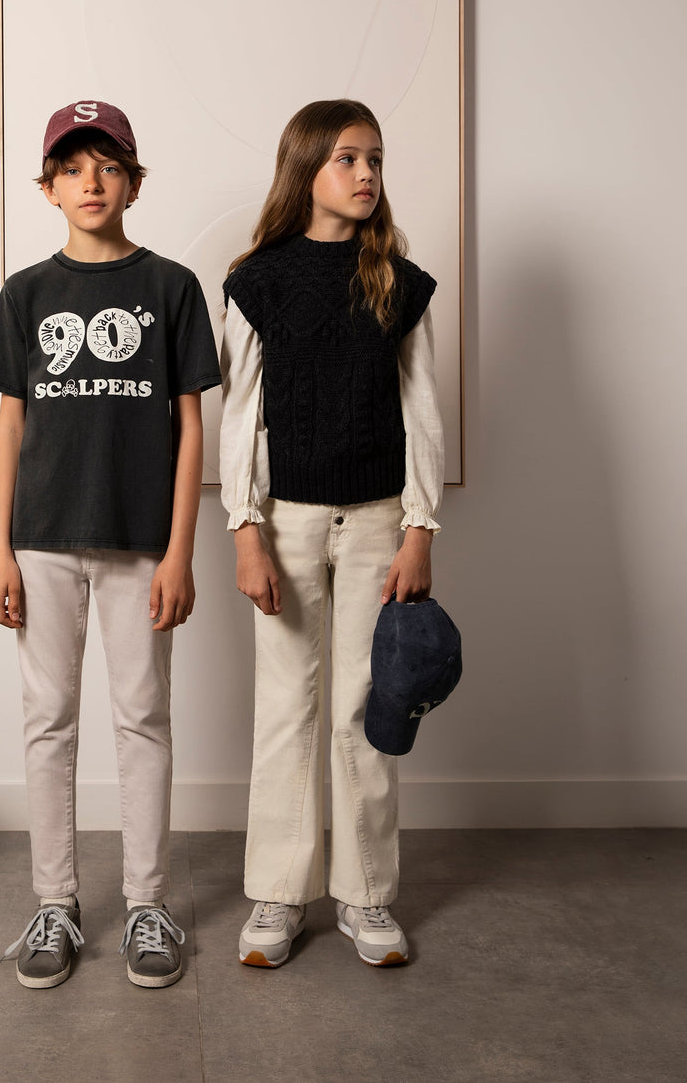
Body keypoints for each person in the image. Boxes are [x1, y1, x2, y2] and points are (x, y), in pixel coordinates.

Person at [0, 100, 220, 990]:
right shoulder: (26, 294)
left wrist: (181, 551)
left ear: (134, 183)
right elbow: (10, 427)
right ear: (48, 188)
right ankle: (56, 904)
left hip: (140, 542)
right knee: (48, 719)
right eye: (73, 168)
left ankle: (148, 904)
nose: (91, 182)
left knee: (143, 717)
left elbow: (191, 429)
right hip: (41, 538)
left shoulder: (172, 288)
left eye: (109, 167)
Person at [219, 98, 444, 969]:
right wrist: (245, 529)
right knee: (286, 708)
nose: (366, 174)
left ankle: (366, 895)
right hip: (286, 523)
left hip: (379, 521)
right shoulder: (258, 281)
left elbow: (422, 412)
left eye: (376, 159)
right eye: (348, 158)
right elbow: (241, 415)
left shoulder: (399, 282)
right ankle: (278, 894)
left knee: (365, 707)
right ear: (305, 168)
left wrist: (420, 529)